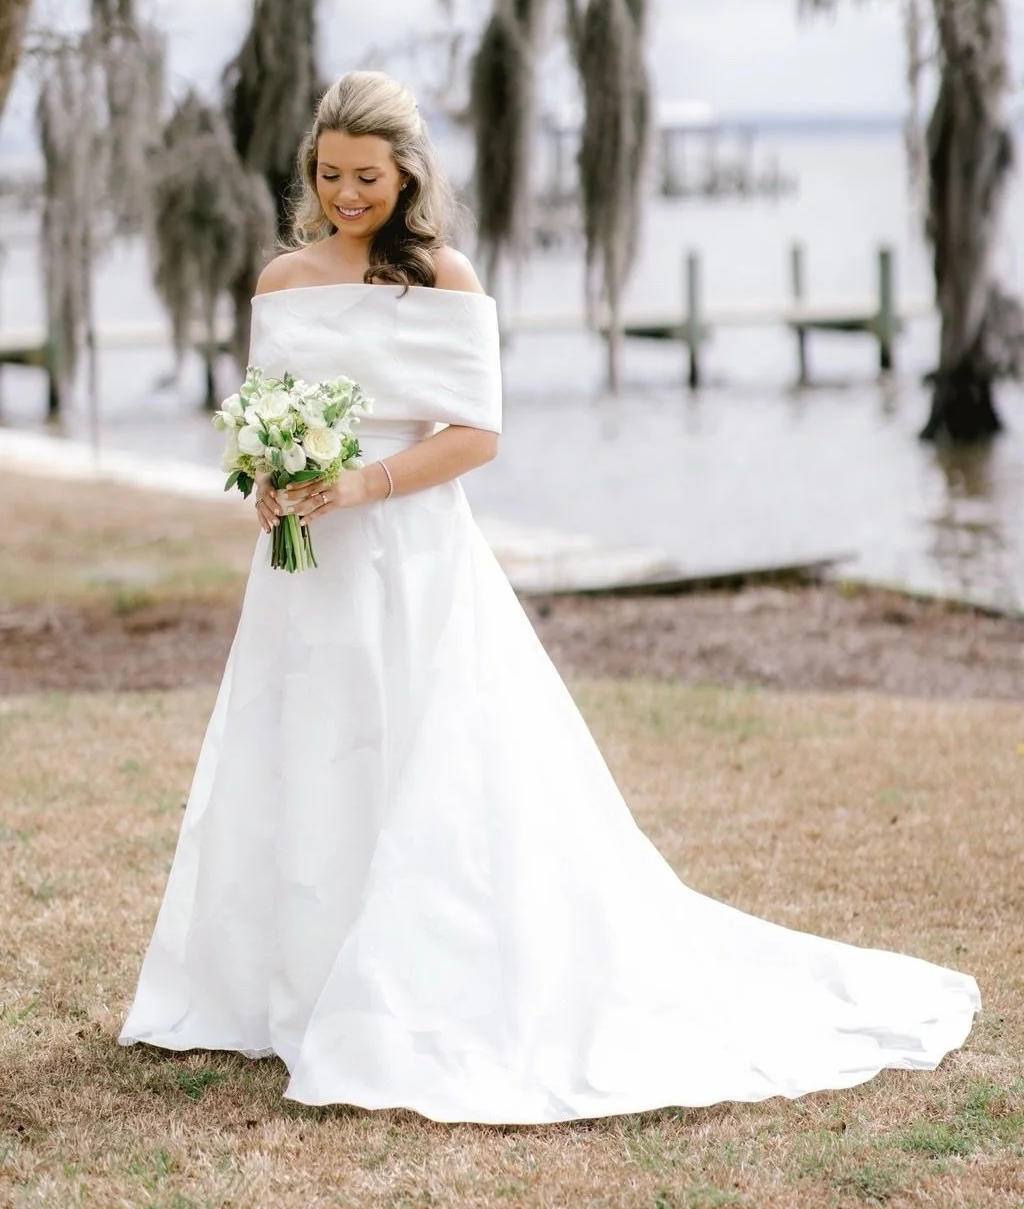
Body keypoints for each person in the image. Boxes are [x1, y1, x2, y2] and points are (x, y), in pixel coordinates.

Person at [119, 70, 979, 1124]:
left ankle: (406, 985)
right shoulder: (283, 281)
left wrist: (361, 482)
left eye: (368, 177)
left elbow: (474, 432)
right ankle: (292, 977)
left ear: (406, 174)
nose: (347, 193)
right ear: (311, 170)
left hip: (413, 550)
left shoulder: (443, 278)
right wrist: (271, 482)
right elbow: (263, 411)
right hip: (307, 565)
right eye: (330, 174)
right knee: (304, 744)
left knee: (423, 753)